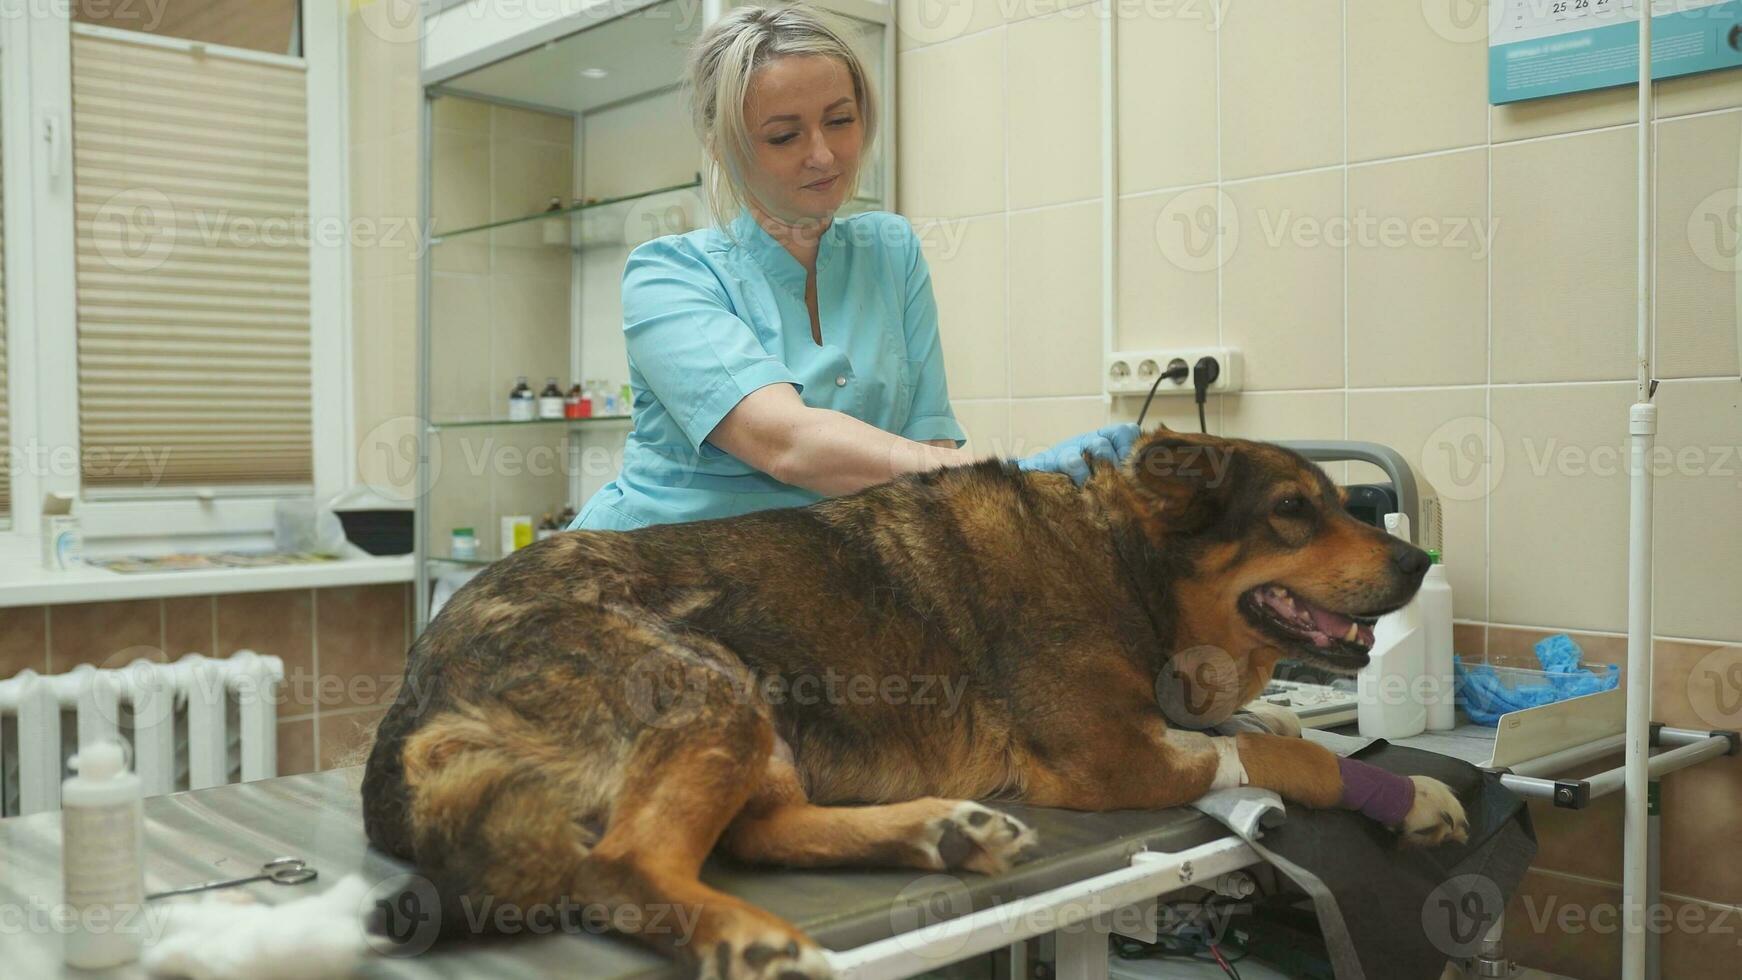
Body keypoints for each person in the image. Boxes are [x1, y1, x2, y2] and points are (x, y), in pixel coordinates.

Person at [571, 3, 1136, 532]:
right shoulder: (669, 275)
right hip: (648, 576)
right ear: (723, 147)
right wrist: (1022, 480)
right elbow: (788, 445)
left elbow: (929, 453)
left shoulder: (890, 250)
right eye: (785, 135)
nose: (824, 154)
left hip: (820, 584)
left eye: (840, 120)